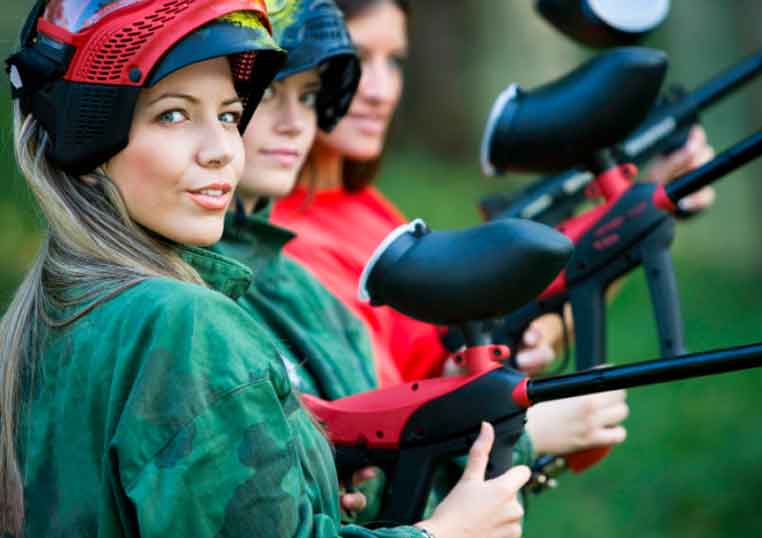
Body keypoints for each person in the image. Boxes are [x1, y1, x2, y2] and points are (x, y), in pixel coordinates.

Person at [0, 2, 531, 537]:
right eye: (174, 114)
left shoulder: (53, 309)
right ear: (88, 145)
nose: (221, 152)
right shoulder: (185, 324)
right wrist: (447, 533)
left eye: (229, 116)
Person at [272, 0, 715, 460]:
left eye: (395, 61)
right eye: (358, 60)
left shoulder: (364, 209)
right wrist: (524, 434)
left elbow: (443, 356)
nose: (381, 91)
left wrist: (639, 214)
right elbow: (371, 448)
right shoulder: (283, 246)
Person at [213, 0, 536, 521]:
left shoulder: (301, 262)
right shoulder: (206, 294)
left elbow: (371, 424)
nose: (381, 90)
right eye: (269, 93)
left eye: (311, 95)